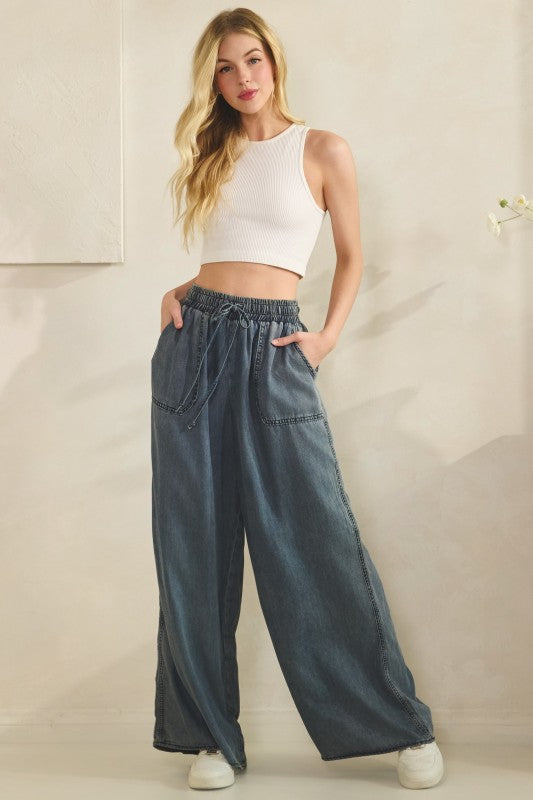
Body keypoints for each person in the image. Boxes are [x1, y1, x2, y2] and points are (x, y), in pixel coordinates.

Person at [150, 7, 444, 792]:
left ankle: (397, 724)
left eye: (251, 60)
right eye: (224, 67)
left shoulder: (321, 149)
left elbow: (349, 256)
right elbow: (227, 254)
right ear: (211, 81)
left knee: (313, 535)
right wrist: (179, 291)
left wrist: (327, 338)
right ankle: (211, 738)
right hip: (193, 343)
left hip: (276, 348)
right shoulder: (209, 152)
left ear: (274, 62)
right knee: (193, 545)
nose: (242, 78)